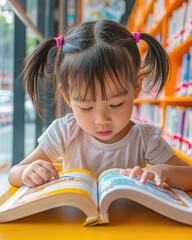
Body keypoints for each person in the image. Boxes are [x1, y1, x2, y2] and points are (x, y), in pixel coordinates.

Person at [8, 20, 192, 191]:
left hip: (132, 224)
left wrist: (165, 172)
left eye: (116, 104)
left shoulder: (145, 138)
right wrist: (27, 173)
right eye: (86, 107)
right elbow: (14, 173)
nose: (102, 120)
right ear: (67, 97)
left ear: (136, 88)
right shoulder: (64, 131)